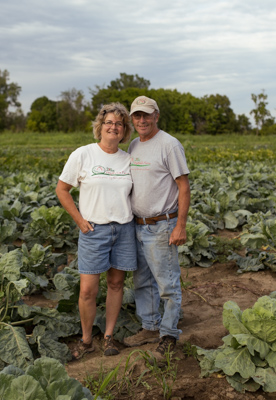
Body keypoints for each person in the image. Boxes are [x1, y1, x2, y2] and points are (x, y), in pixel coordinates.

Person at [56, 102, 137, 359]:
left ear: (124, 131)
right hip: (94, 231)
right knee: (87, 291)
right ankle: (87, 338)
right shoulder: (83, 154)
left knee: (115, 284)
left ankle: (109, 336)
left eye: (119, 124)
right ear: (100, 127)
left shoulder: (128, 160)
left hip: (123, 230)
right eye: (109, 122)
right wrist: (80, 221)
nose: (114, 127)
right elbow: (62, 189)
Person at [123, 95, 190, 363]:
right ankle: (150, 326)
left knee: (167, 283)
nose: (141, 120)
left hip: (163, 225)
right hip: (137, 225)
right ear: (132, 119)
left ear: (156, 116)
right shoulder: (133, 145)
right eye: (137, 116)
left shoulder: (170, 145)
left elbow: (183, 186)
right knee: (142, 281)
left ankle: (169, 335)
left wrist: (180, 226)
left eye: (146, 115)